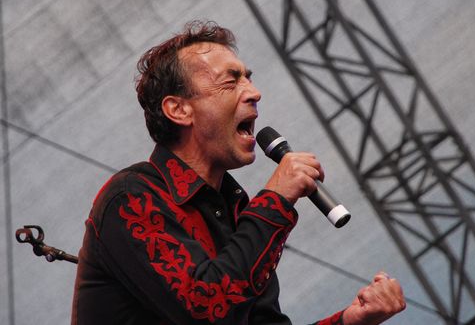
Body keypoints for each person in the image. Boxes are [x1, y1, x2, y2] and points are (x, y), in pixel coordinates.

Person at [71, 20, 405, 325]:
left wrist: (351, 321)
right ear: (178, 109)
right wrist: (275, 199)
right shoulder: (131, 198)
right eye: (231, 82)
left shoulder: (232, 210)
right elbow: (210, 310)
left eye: (248, 78)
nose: (254, 92)